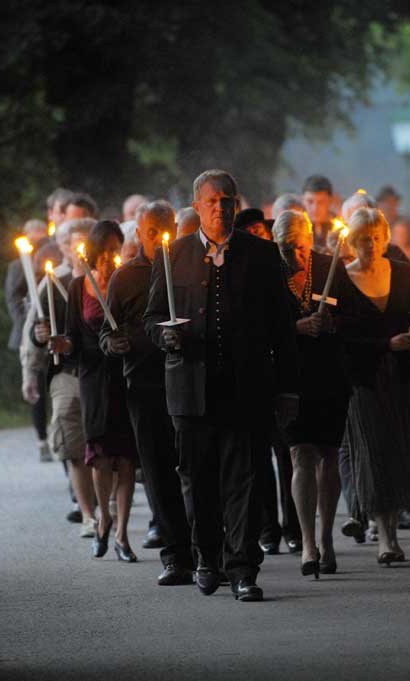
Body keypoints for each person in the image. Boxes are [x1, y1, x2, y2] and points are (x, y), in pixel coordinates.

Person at [144, 169, 299, 602]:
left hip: (246, 389)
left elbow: (283, 331)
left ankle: (244, 568)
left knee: (245, 481)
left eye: (227, 200)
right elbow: (152, 318)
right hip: (190, 392)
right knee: (199, 480)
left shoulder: (263, 256)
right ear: (197, 207)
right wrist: (165, 335)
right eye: (212, 201)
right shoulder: (172, 255)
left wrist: (288, 391)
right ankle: (207, 558)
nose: (220, 208)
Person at [101, 200, 195, 586]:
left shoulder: (188, 270)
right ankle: (176, 555)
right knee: (157, 472)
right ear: (138, 233)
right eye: (150, 231)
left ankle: (208, 547)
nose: (158, 238)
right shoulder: (124, 278)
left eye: (165, 229)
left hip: (188, 383)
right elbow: (107, 333)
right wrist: (114, 344)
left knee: (195, 468)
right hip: (144, 386)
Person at [339, 208, 410, 565]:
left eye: (378, 236)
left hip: (400, 376)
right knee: (374, 455)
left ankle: (393, 533)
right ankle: (384, 538)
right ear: (352, 241)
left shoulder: (401, 271)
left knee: (397, 452)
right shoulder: (342, 277)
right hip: (362, 379)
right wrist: (385, 345)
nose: (372, 243)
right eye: (364, 238)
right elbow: (342, 336)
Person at [46, 220, 140, 562]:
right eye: (107, 251)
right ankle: (103, 517)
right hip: (93, 378)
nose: (111, 258)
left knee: (127, 459)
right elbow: (72, 337)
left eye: (117, 251)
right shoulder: (76, 287)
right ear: (97, 251)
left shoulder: (127, 283)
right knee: (100, 456)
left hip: (125, 375)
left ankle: (123, 535)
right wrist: (62, 343)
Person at [272, 209, 351, 578]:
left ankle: (327, 536)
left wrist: (333, 322)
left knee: (329, 454)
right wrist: (295, 328)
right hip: (290, 376)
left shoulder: (328, 266)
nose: (297, 256)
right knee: (300, 453)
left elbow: (352, 315)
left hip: (329, 374)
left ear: (311, 240)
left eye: (302, 247)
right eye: (289, 248)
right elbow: (259, 326)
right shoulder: (269, 274)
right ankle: (307, 542)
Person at [232, 207, 302, 555]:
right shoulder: (236, 270)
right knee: (258, 460)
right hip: (254, 375)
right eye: (251, 232)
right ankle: (267, 527)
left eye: (262, 230)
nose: (259, 236)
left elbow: (289, 312)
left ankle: (293, 526)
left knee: (287, 455)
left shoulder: (280, 264)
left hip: (278, 373)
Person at [29, 218, 98, 535]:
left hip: (99, 373)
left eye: (85, 242)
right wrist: (38, 341)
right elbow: (36, 329)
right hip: (66, 373)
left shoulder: (105, 278)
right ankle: (87, 514)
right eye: (72, 242)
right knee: (72, 445)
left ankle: (105, 503)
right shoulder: (51, 282)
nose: (78, 249)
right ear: (63, 247)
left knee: (104, 445)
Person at [6, 218, 52, 463]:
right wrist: (29, 323)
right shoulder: (18, 267)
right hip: (29, 331)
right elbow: (13, 299)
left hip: (50, 331)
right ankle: (41, 438)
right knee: (36, 386)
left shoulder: (49, 262)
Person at [302, 175, 335, 254]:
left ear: (330, 201)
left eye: (321, 202)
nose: (315, 208)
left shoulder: (339, 227)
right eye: (310, 201)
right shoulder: (297, 227)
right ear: (303, 200)